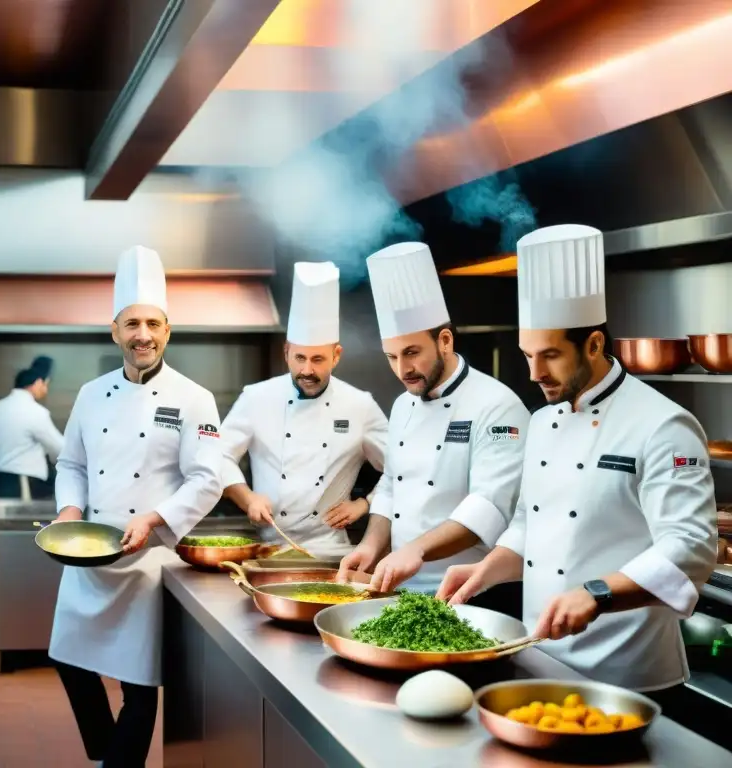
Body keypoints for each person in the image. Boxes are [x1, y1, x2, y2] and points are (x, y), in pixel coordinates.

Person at [436, 224, 718, 696]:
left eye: (550, 355)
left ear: (593, 344)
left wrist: (597, 593)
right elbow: (531, 522)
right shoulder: (543, 422)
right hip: (540, 656)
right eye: (527, 355)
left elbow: (691, 546)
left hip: (629, 674)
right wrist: (487, 570)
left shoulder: (663, 424)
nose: (534, 373)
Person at [49, 245, 223, 767]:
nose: (142, 334)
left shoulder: (195, 398)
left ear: (167, 330)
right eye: (131, 324)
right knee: (69, 663)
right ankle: (107, 755)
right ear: (115, 331)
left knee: (139, 686)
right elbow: (71, 465)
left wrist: (156, 519)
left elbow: (208, 477)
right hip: (88, 554)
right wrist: (69, 513)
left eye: (152, 323)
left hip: (147, 559)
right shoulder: (89, 393)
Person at [337, 242, 529, 609]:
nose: (402, 369)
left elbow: (489, 505)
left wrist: (414, 550)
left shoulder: (497, 406)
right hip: (405, 589)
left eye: (412, 353)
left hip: (472, 594)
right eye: (392, 357)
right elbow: (392, 484)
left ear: (444, 340)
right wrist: (371, 545)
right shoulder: (402, 405)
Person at [219, 261, 387, 555]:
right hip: (268, 547)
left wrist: (365, 504)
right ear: (287, 352)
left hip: (332, 550)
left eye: (318, 359)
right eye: (299, 358)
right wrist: (247, 499)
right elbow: (216, 456)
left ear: (336, 356)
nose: (306, 370)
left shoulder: (360, 405)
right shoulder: (257, 398)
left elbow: (403, 469)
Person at [0, 355, 65, 500]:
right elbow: (60, 449)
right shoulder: (35, 412)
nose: (46, 390)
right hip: (21, 484)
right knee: (23, 522)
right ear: (37, 382)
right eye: (46, 384)